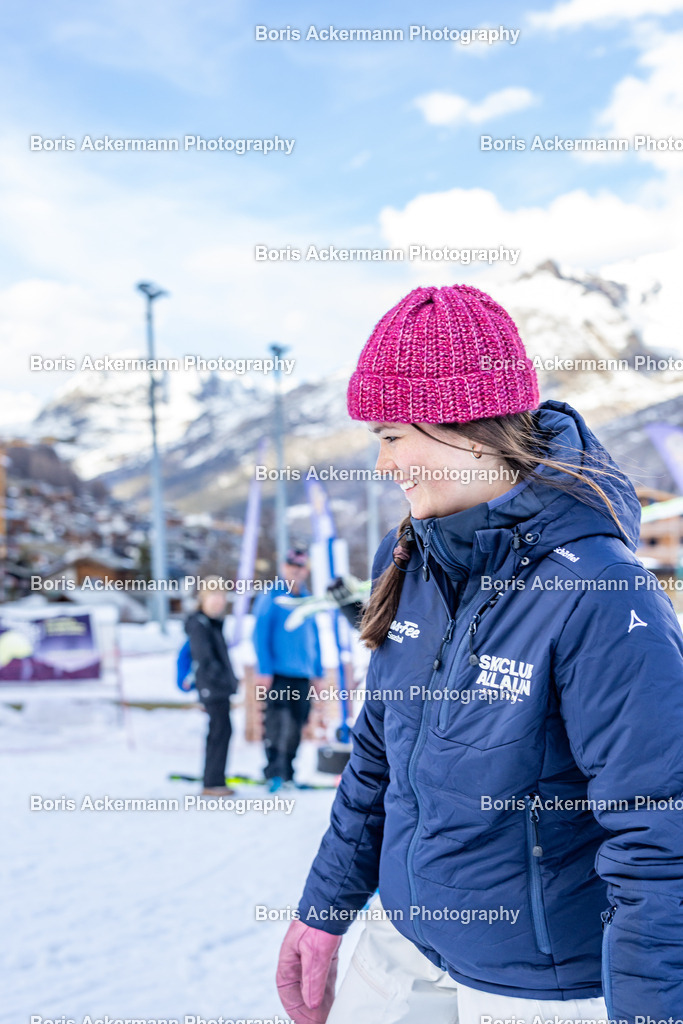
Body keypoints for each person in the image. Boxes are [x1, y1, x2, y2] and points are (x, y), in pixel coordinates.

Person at [275, 284, 683, 1023]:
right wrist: (323, 908)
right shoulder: (410, 557)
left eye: (391, 435)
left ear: (469, 432)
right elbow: (378, 754)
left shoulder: (599, 588)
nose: (382, 463)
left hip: (535, 984)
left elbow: (659, 827)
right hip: (406, 940)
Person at [253, 547, 324, 792]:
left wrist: (318, 673)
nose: (296, 571)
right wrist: (264, 669)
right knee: (278, 724)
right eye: (292, 566)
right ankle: (274, 772)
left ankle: (288, 772)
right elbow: (260, 634)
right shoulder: (272, 596)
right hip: (278, 674)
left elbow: (314, 639)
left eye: (301, 567)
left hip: (302, 675)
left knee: (297, 724)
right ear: (284, 567)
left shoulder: (307, 599)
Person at [185, 579, 239, 796]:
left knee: (222, 729)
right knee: (220, 730)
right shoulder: (200, 624)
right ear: (203, 598)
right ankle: (213, 781)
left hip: (219, 686)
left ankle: (215, 779)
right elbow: (205, 658)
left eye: (222, 596)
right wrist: (222, 679)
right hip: (212, 686)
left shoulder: (214, 623)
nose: (218, 601)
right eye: (213, 596)